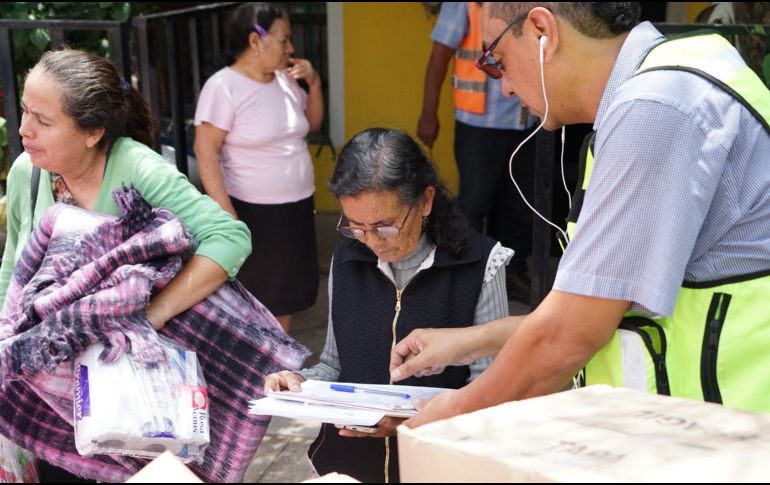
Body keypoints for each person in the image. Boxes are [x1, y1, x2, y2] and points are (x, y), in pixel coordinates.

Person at [390, 2, 770, 427]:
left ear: (541, 32)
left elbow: (570, 334)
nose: (506, 89)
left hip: (737, 436)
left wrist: (449, 414)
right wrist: (471, 341)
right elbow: (597, 306)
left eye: (496, 60)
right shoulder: (668, 81)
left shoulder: (657, 107)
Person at [0, 49, 252, 481]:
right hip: (45, 387)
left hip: (123, 395)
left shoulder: (136, 168)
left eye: (43, 120)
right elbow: (13, 268)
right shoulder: (29, 171)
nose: (24, 129)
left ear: (93, 132)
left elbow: (230, 238)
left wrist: (150, 316)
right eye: (24, 111)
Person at [264, 128, 513, 482]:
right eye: (356, 226)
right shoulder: (349, 255)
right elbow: (335, 365)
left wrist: (414, 422)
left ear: (425, 201)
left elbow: (491, 390)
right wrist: (297, 382)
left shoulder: (480, 263)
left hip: (439, 466)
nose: (372, 242)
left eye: (386, 226)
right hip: (347, 464)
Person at [194, 2, 322, 333]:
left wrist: (315, 84)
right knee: (256, 298)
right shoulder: (223, 87)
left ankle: (277, 362)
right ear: (255, 41)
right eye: (284, 39)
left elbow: (312, 124)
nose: (291, 48)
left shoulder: (284, 81)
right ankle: (255, 371)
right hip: (253, 211)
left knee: (287, 294)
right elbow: (205, 152)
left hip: (296, 206)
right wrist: (226, 214)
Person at [417, 1, 537, 303]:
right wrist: (429, 112)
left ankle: (512, 273)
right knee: (474, 203)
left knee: (519, 204)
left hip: (528, 117)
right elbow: (440, 54)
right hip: (479, 123)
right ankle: (461, 276)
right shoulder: (465, 4)